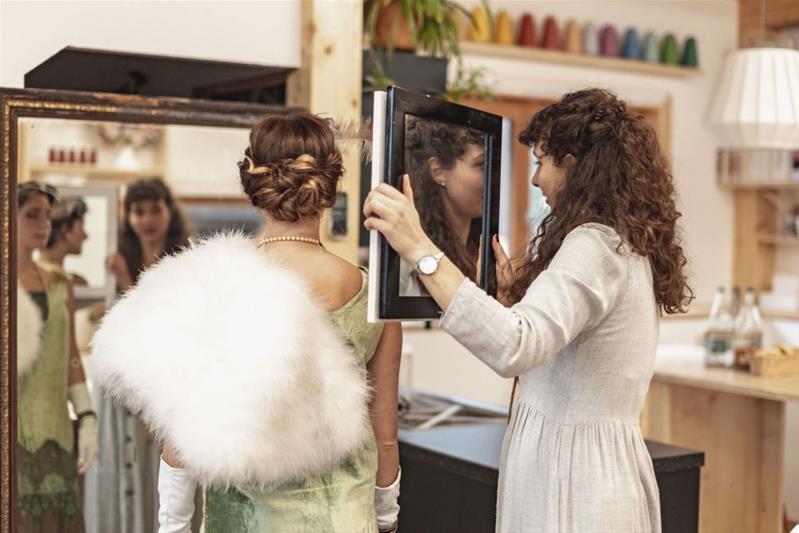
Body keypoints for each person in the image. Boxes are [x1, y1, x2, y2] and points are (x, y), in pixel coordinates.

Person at [364, 88, 693, 533]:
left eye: (542, 161)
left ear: (573, 162)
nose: (535, 179)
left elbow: (515, 347)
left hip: (578, 487)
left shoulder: (594, 244)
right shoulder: (620, 243)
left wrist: (419, 247)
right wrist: (510, 305)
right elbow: (557, 347)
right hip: (592, 475)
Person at [89, 112, 403, 533]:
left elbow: (181, 439)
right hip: (344, 517)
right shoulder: (373, 296)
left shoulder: (217, 282)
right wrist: (386, 519)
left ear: (254, 185)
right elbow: (384, 431)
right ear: (331, 187)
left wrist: (174, 526)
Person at [84, 177, 191, 533]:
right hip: (122, 391)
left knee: (165, 471)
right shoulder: (116, 258)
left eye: (154, 209)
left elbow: (160, 322)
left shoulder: (183, 260)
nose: (147, 219)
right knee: (119, 468)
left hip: (165, 385)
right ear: (128, 216)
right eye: (138, 211)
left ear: (168, 212)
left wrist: (126, 279)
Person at [16, 181, 98, 533]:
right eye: (32, 215)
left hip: (56, 434)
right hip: (13, 438)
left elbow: (69, 355)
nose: (43, 224)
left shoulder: (60, 283)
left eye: (47, 216)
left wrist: (87, 414)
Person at [400, 117, 485, 296]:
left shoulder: (482, 256)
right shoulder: (407, 264)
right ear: (438, 171)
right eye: (481, 165)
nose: (492, 177)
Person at [39, 197, 90, 286]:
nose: (86, 236)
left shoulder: (75, 281)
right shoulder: (40, 280)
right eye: (81, 226)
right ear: (65, 229)